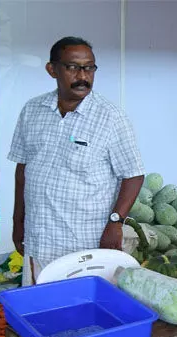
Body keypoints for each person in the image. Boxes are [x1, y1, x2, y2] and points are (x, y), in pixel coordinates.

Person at [8, 37, 145, 286]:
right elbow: (23, 168)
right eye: (73, 67)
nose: (83, 76)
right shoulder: (32, 110)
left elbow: (133, 175)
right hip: (38, 236)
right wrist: (18, 221)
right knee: (41, 309)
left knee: (79, 313)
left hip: (84, 245)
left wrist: (116, 222)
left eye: (89, 67)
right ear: (52, 69)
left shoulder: (111, 117)